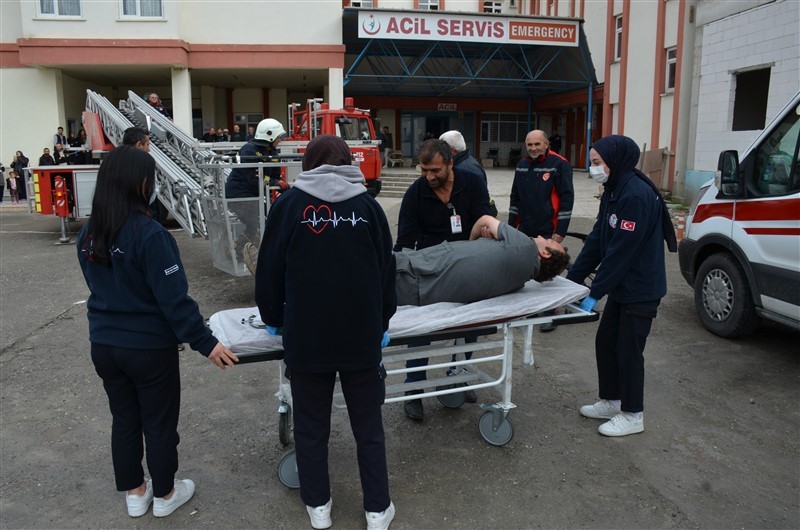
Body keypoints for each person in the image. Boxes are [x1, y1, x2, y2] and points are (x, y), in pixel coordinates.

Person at [76, 146, 238, 518]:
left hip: (104, 345)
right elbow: (174, 300)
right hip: (148, 350)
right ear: (140, 183)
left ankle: (136, 493)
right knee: (159, 423)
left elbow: (98, 284)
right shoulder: (150, 235)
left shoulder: (88, 233)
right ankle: (165, 494)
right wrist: (207, 344)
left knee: (125, 419)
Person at [255, 135, 397, 530]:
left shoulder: (288, 206)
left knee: (312, 426)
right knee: (368, 427)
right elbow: (386, 269)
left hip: (307, 337)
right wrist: (383, 321)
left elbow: (269, 269)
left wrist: (273, 316)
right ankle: (376, 510)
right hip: (359, 337)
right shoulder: (368, 207)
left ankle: (318, 508)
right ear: (349, 162)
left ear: (309, 163)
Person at [566, 134, 676, 438]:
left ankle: (632, 413)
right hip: (622, 287)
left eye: (597, 162)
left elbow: (621, 253)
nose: (593, 168)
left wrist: (593, 293)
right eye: (592, 162)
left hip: (640, 288)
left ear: (615, 161)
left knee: (628, 351)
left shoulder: (635, 196)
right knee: (607, 343)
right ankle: (613, 401)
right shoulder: (614, 190)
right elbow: (599, 239)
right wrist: (571, 280)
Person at [394, 138, 493, 420]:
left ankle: (457, 375)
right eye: (424, 170)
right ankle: (413, 391)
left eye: (435, 170)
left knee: (471, 325)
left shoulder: (472, 183)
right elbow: (405, 240)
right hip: (430, 271)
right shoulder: (415, 193)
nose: (430, 177)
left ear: (451, 162)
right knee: (422, 331)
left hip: (467, 265)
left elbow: (485, 218)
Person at [396, 215, 569, 305]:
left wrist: (473, 243)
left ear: (545, 253)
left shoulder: (524, 245)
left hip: (414, 270)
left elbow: (484, 220)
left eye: (548, 241)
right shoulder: (518, 282)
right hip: (421, 293)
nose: (541, 236)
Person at [509, 129, 575, 332]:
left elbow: (567, 198)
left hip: (549, 228)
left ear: (547, 144)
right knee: (527, 269)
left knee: (549, 272)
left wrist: (561, 230)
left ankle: (551, 312)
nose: (533, 148)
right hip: (525, 227)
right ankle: (530, 310)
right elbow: (515, 198)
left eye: (537, 144)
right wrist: (511, 227)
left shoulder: (559, 164)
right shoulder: (522, 165)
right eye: (529, 145)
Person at [225, 118, 287, 247]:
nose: (280, 140)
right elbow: (254, 179)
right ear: (270, 136)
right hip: (239, 195)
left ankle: (242, 249)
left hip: (254, 194)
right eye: (278, 137)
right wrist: (274, 181)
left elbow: (275, 175)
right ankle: (239, 250)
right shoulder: (249, 150)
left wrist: (283, 186)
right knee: (258, 224)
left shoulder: (272, 152)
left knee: (270, 219)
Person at [439, 130, 498, 217]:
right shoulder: (464, 162)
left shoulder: (467, 170)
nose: (438, 151)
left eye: (441, 148)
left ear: (452, 150)